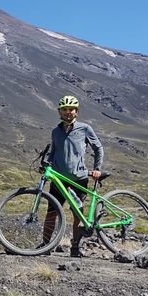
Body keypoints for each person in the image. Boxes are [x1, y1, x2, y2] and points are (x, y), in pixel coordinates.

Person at [42, 95, 103, 257]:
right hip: (58, 179)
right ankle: (45, 245)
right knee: (51, 212)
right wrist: (47, 163)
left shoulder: (85, 129)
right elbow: (54, 152)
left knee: (78, 214)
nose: (68, 112)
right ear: (60, 112)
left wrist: (97, 169)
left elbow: (98, 148)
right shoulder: (56, 131)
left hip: (78, 179)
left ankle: (75, 246)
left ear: (76, 112)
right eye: (64, 110)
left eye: (71, 110)